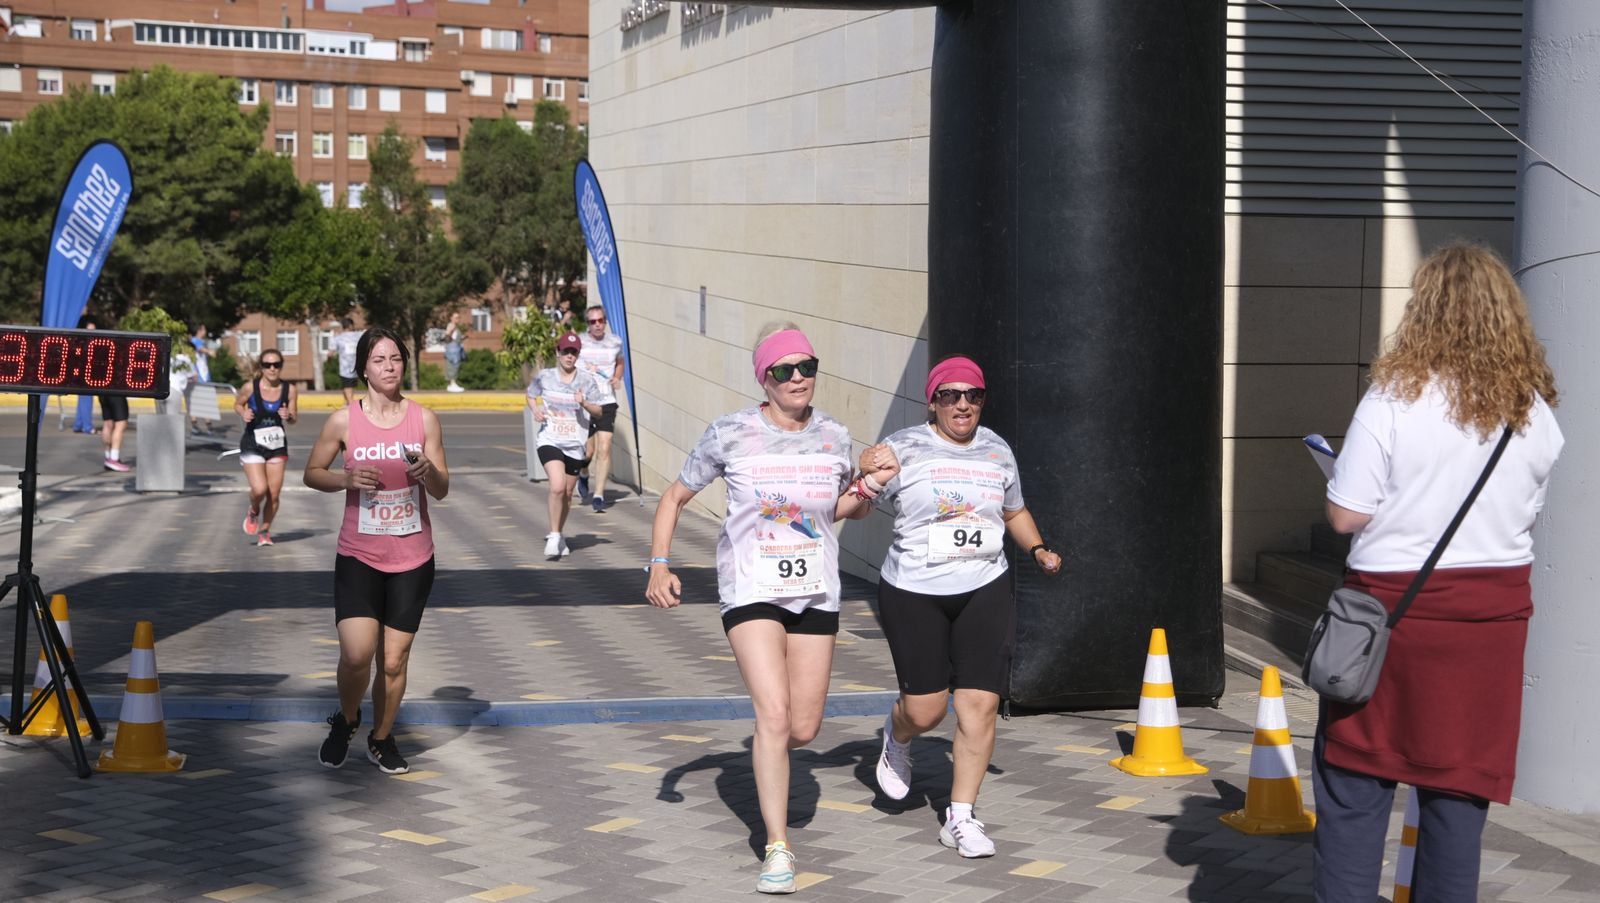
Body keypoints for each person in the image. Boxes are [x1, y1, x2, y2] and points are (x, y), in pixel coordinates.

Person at [1315, 242, 1563, 901]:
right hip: (1486, 629)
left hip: (1387, 621)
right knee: (1457, 806)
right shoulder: (1533, 412)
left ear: (1423, 310)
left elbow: (1345, 515)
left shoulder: (1393, 399)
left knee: (1353, 794)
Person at [646, 323, 882, 894]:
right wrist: (658, 563)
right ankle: (778, 848)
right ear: (765, 378)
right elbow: (674, 497)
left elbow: (841, 509)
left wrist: (870, 486)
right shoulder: (731, 434)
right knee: (774, 716)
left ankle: (769, 747)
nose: (798, 377)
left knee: (804, 724)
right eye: (784, 369)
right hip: (750, 589)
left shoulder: (834, 435)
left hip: (817, 590)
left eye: (807, 366)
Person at [858, 355, 1061, 858]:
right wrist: (864, 471)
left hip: (985, 585)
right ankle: (897, 735)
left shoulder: (997, 449)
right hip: (914, 591)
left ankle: (962, 816)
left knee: (980, 705)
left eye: (973, 395)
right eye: (951, 395)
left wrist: (1037, 548)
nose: (963, 404)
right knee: (926, 711)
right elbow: (859, 499)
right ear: (933, 401)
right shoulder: (903, 447)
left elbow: (1013, 510)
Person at [304, 326, 449, 776]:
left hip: (412, 556)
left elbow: (443, 489)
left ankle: (382, 737)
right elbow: (312, 472)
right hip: (359, 555)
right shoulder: (344, 421)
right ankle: (346, 720)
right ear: (363, 368)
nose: (390, 367)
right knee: (356, 654)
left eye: (396, 359)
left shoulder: (422, 419)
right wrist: (344, 479)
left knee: (393, 659)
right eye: (380, 360)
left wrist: (428, 472)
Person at [528, 331, 603, 560]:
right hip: (550, 439)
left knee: (568, 494)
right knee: (558, 486)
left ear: (578, 355)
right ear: (557, 352)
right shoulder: (545, 376)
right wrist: (536, 410)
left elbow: (599, 412)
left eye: (573, 352)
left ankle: (559, 534)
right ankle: (552, 536)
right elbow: (531, 395)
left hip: (574, 443)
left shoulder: (587, 380)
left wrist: (585, 403)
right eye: (565, 351)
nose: (569, 356)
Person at [236, 349, 299, 547]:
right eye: (267, 365)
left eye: (276, 364)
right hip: (253, 443)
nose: (272, 368)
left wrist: (288, 415)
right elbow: (237, 404)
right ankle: (254, 508)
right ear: (261, 367)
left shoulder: (290, 390)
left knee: (273, 493)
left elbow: (294, 419)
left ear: (281, 366)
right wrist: (243, 413)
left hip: (277, 445)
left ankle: (264, 530)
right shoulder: (250, 387)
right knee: (260, 489)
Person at [575, 304, 625, 512]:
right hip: (585, 401)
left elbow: (620, 362)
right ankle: (584, 472)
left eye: (600, 321)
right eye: (592, 321)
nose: (597, 325)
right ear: (587, 324)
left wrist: (617, 377)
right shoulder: (580, 342)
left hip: (606, 400)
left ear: (605, 322)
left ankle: (599, 495)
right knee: (588, 451)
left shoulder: (615, 342)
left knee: (605, 447)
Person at [79, 314, 130, 472]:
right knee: (121, 423)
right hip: (114, 388)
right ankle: (113, 458)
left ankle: (109, 456)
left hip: (102, 388)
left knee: (108, 423)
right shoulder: (106, 345)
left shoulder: (87, 349)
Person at [188, 324, 215, 434]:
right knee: (204, 401)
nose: (206, 331)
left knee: (202, 401)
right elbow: (199, 348)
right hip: (199, 376)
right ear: (200, 330)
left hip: (203, 376)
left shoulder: (200, 341)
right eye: (204, 329)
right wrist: (209, 351)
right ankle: (203, 426)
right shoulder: (195, 341)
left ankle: (203, 426)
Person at [332, 318, 364, 407]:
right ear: (351, 326)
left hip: (345, 368)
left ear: (343, 326)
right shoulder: (359, 335)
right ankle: (348, 403)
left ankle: (351, 405)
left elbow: (331, 352)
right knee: (347, 387)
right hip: (358, 366)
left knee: (347, 387)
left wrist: (330, 359)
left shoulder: (338, 338)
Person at [73, 314, 96, 434]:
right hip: (84, 376)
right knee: (86, 400)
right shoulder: (84, 344)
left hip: (83, 375)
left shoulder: (82, 342)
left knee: (83, 400)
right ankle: (87, 426)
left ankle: (78, 424)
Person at [442, 311, 467, 393]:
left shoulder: (455, 327)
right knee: (452, 366)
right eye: (456, 317)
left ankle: (452, 384)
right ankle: (452, 384)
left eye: (458, 317)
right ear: (451, 318)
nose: (458, 319)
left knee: (454, 366)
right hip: (452, 350)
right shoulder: (451, 325)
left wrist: (462, 338)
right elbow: (447, 335)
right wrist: (448, 335)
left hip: (456, 349)